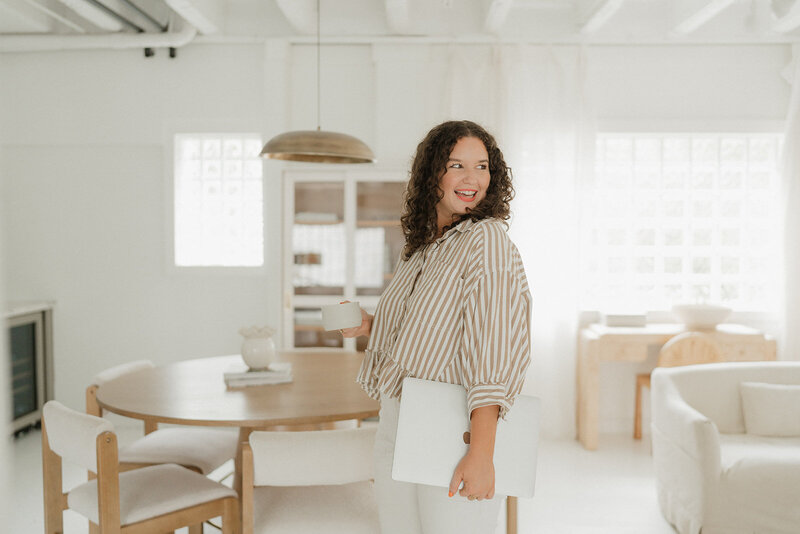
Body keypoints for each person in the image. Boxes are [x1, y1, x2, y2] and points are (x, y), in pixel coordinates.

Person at [342, 120, 531, 534]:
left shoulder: (487, 241)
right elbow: (428, 337)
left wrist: (480, 455)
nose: (471, 178)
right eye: (456, 165)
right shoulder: (421, 248)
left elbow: (491, 351)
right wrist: (372, 325)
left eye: (482, 167)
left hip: (453, 428)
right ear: (433, 175)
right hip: (395, 420)